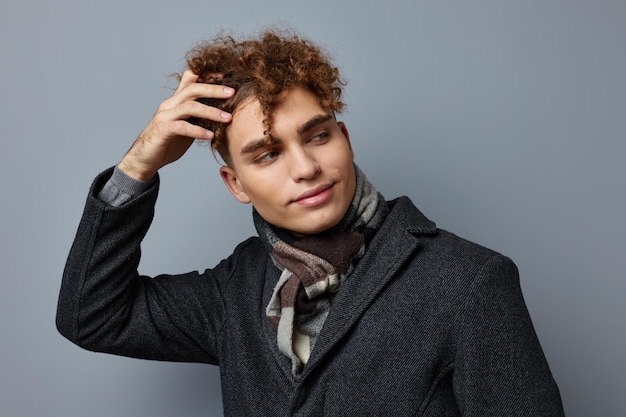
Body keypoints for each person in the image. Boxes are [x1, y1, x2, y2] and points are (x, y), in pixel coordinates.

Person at [56, 29, 565, 416]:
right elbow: (93, 316)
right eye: (268, 154)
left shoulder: (468, 282)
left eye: (318, 136)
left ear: (344, 137)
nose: (305, 168)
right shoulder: (236, 288)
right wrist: (138, 165)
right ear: (236, 185)